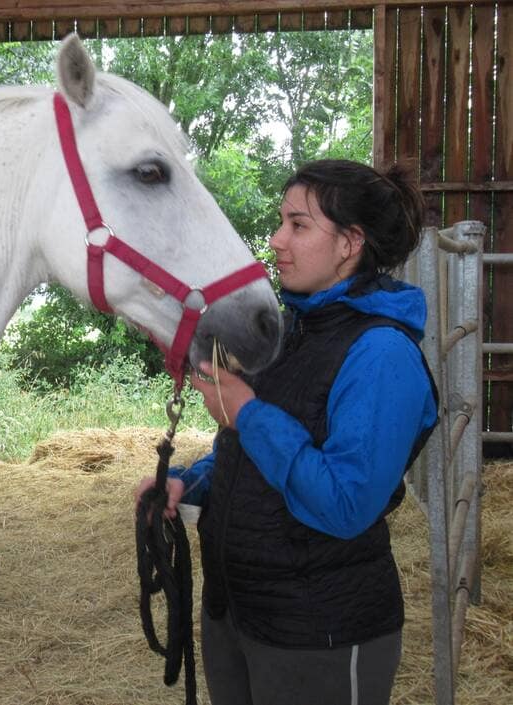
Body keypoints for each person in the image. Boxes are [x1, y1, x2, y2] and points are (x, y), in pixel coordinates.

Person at [136, 159, 439, 705]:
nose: (276, 240)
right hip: (239, 611)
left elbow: (346, 502)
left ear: (350, 243)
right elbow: (254, 450)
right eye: (281, 222)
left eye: (298, 225)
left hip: (320, 631)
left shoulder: (382, 354)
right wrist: (190, 484)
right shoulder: (294, 332)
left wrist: (247, 411)